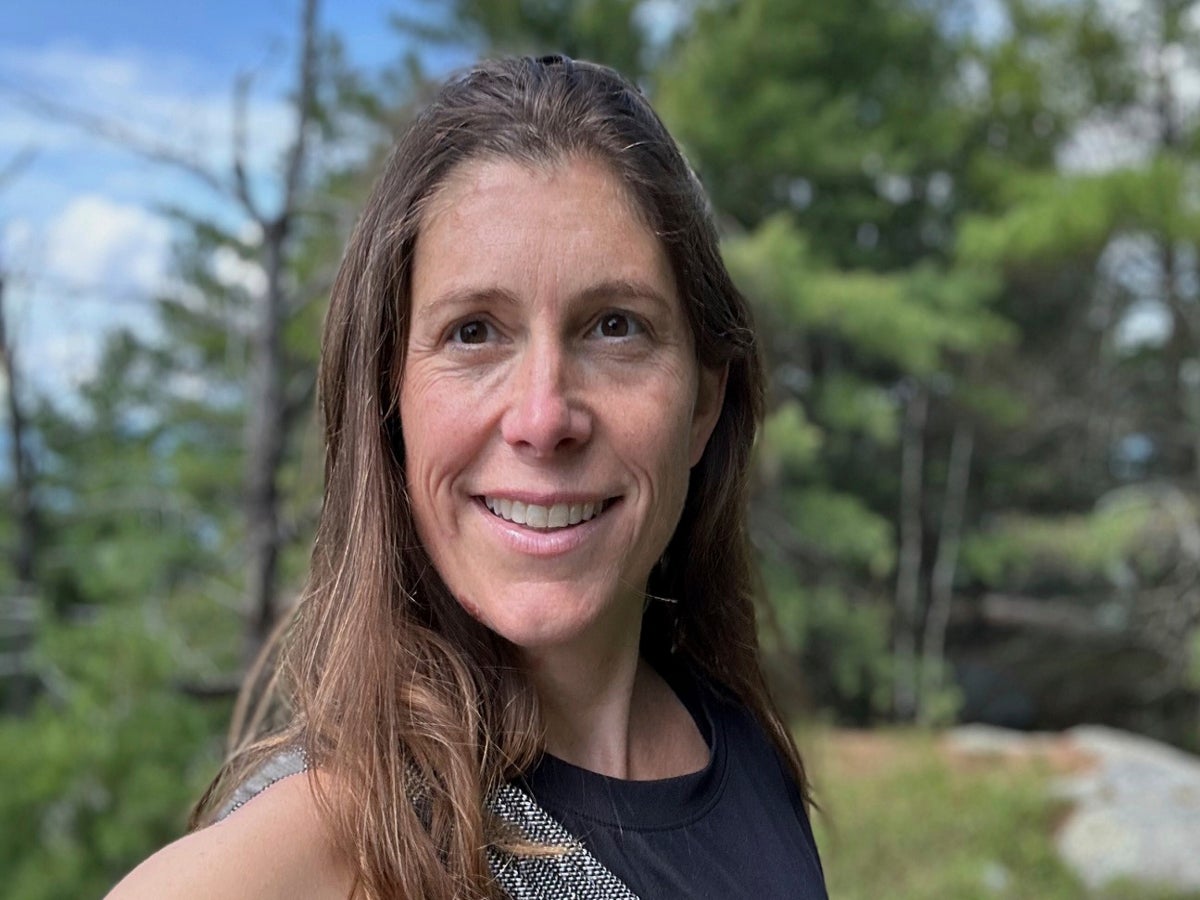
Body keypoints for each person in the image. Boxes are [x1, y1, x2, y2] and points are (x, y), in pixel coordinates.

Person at [107, 55, 827, 900]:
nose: (543, 417)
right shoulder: (338, 842)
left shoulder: (741, 742)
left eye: (614, 326)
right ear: (390, 401)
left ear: (703, 403)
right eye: (474, 332)